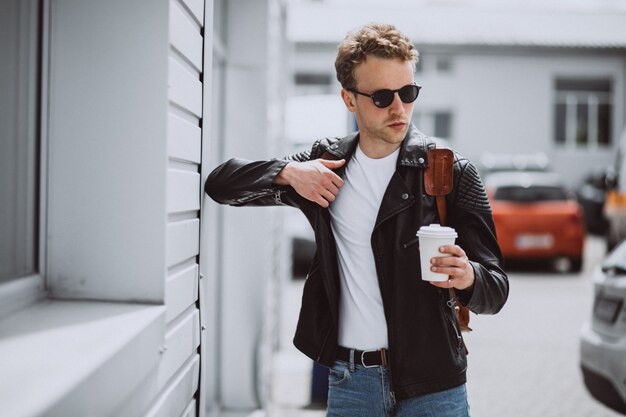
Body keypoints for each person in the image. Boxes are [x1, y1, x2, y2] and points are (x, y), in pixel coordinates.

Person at [205, 22, 508, 417]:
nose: (399, 109)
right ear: (349, 99)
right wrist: (288, 172)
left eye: (408, 93)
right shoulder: (326, 168)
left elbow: (496, 287)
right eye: (382, 97)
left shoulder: (447, 170)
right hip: (352, 383)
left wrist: (468, 276)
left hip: (435, 385)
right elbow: (221, 184)